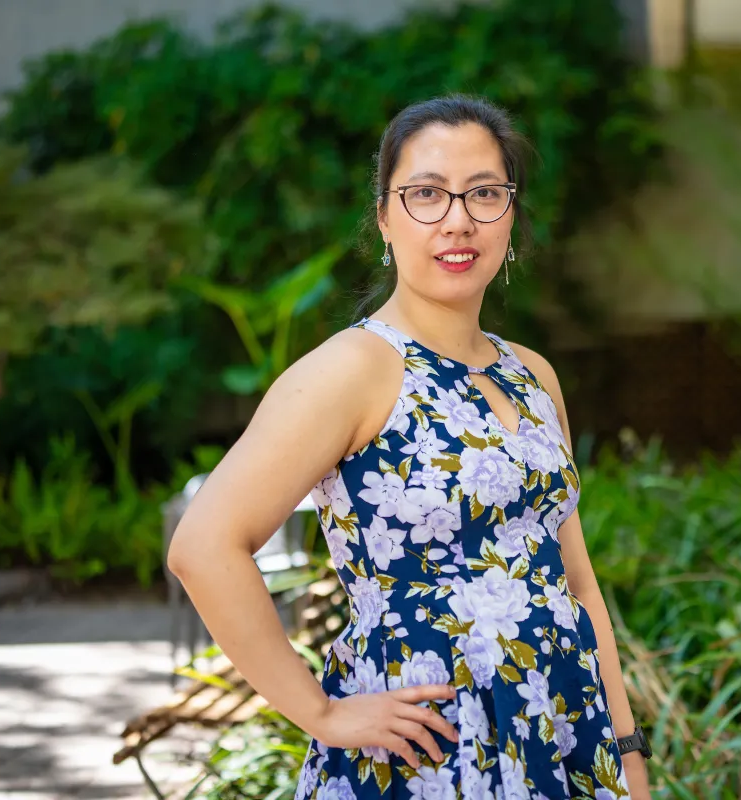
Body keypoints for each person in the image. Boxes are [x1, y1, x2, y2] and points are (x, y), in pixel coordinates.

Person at [168, 94, 653, 799]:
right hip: (428, 755)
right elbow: (204, 545)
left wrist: (626, 751)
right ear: (385, 218)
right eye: (426, 194)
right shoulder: (355, 369)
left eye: (485, 193)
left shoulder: (533, 376)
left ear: (511, 215)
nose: (458, 218)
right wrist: (321, 712)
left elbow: (575, 584)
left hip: (559, 739)